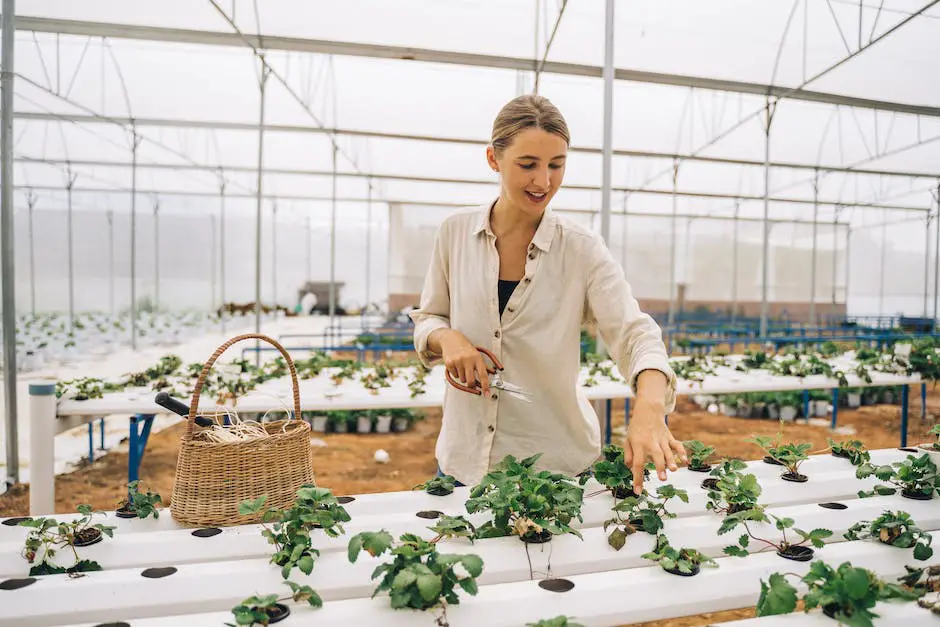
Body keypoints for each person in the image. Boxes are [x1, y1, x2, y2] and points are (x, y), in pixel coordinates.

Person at [409, 94, 684, 494]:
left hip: (556, 469)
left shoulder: (581, 249)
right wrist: (447, 338)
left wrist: (650, 406)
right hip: (463, 463)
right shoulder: (454, 234)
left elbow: (635, 333)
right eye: (528, 165)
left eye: (557, 165)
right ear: (493, 159)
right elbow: (429, 316)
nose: (544, 181)